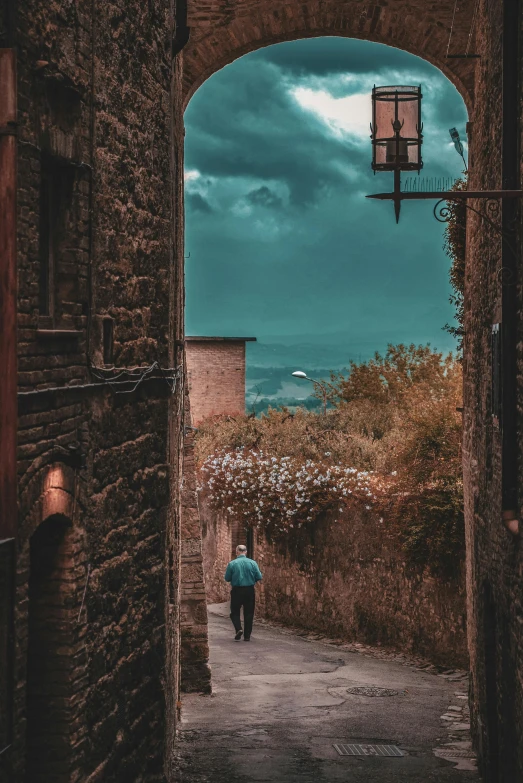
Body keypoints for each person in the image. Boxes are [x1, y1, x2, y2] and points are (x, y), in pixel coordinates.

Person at [224, 544, 263, 641]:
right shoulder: (253, 563)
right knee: (249, 613)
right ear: (246, 552)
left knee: (234, 612)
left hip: (237, 590)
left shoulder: (232, 564)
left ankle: (238, 628)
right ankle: (247, 636)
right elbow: (259, 577)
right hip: (249, 590)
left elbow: (227, 578)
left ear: (237, 552)